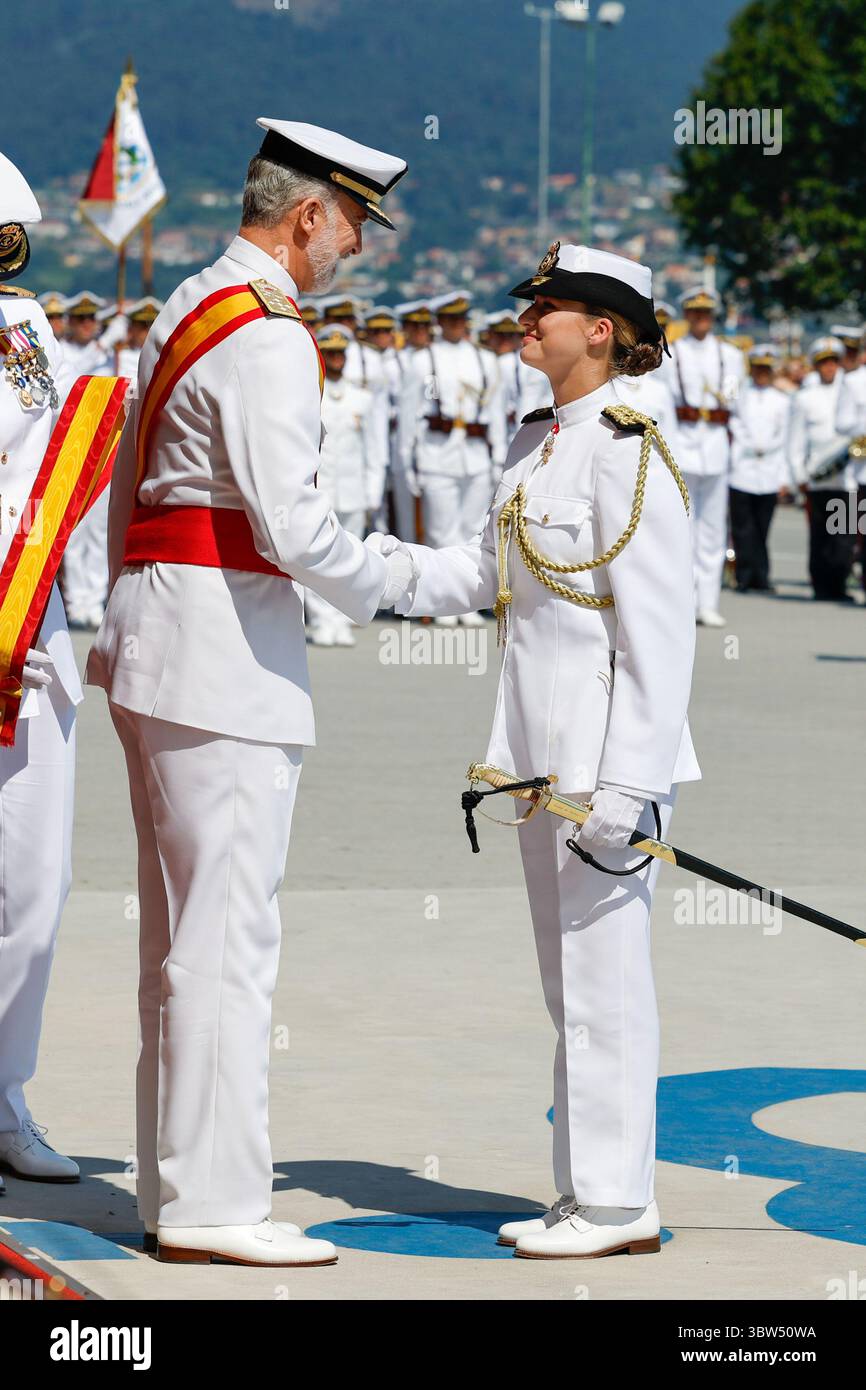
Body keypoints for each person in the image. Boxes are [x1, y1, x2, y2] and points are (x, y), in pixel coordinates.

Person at [86, 117, 415, 1267]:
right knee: (226, 943)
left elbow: (130, 472)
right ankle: (214, 1203)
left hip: (161, 635)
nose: (358, 253)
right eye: (355, 228)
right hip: (225, 655)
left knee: (179, 941)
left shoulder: (186, 301)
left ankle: (180, 1186)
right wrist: (407, 577)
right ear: (308, 214)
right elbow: (295, 528)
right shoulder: (271, 334)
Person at [375, 242, 700, 1258]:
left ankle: (614, 1205)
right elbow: (479, 576)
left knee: (605, 984)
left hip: (602, 769)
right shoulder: (531, 441)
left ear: (597, 330)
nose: (526, 322)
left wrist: (631, 782)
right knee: (570, 988)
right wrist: (353, 567)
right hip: (531, 761)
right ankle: (581, 1194)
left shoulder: (625, 446)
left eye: (544, 309)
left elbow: (657, 634)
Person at [0, 151, 81, 1190]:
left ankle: (5, 1095)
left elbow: (45, 468)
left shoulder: (19, 332)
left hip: (23, 623)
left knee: (32, 875)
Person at [397, 289, 507, 626]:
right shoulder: (422, 361)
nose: (456, 325)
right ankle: (441, 602)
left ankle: (466, 603)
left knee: (472, 531)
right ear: (439, 322)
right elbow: (409, 415)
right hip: (436, 454)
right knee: (440, 531)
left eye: (460, 320)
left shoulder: (484, 360)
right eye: (449, 320)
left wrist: (497, 456)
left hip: (474, 454)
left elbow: (496, 412)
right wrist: (407, 460)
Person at [658, 287, 745, 627]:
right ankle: (685, 600)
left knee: (712, 529)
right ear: (686, 316)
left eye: (706, 313)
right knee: (683, 527)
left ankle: (707, 601)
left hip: (716, 445)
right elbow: (666, 403)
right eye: (695, 313)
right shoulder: (673, 353)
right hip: (685, 441)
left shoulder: (730, 356)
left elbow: (737, 402)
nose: (701, 319)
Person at [305, 323, 381, 645]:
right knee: (317, 554)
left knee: (350, 553)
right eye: (331, 353)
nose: (337, 359)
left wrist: (373, 490)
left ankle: (341, 617)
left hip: (353, 488)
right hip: (320, 489)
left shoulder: (362, 398)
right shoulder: (310, 394)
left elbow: (375, 449)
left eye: (341, 353)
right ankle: (321, 618)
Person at [60, 292, 116, 629]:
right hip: (71, 447)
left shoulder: (113, 356)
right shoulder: (65, 353)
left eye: (92, 319)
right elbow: (72, 381)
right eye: (81, 319)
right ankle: (75, 602)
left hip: (101, 446)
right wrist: (105, 343)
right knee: (73, 532)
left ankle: (92, 601)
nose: (88, 325)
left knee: (97, 530)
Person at [788, 336, 856, 601]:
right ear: (817, 366)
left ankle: (839, 583)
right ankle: (822, 585)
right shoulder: (805, 398)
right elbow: (795, 441)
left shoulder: (851, 391)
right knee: (820, 534)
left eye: (833, 362)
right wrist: (798, 475)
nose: (830, 367)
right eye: (824, 363)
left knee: (845, 535)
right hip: (817, 477)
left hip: (847, 477)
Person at [727, 344, 792, 592]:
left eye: (766, 369)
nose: (762, 373)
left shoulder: (782, 400)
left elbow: (785, 436)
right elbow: (735, 424)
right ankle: (743, 576)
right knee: (743, 527)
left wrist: (785, 477)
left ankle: (761, 576)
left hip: (770, 470)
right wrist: (751, 443)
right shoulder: (740, 396)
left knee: (763, 527)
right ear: (752, 370)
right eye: (758, 368)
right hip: (742, 467)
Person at [485, 309, 552, 443]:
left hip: (529, 432)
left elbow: (530, 403)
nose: (506, 341)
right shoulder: (490, 361)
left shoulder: (517, 363)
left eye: (511, 335)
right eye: (501, 336)